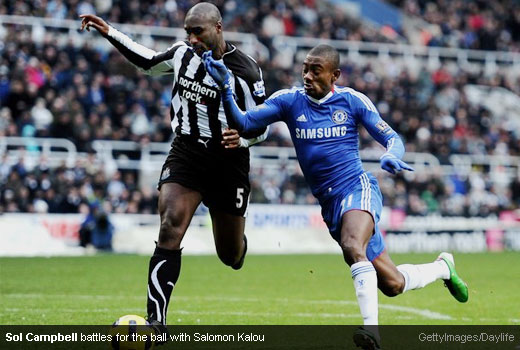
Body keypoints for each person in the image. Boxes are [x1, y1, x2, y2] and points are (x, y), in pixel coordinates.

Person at [202, 44, 468, 350]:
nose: (307, 76)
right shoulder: (289, 101)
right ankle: (442, 267)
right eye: (305, 68)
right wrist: (224, 87)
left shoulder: (352, 100)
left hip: (357, 188)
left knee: (352, 245)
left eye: (316, 71)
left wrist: (392, 154)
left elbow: (391, 136)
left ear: (334, 75)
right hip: (331, 206)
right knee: (393, 284)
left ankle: (372, 333)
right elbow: (246, 123)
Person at [79, 2, 268, 337]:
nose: (192, 38)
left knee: (230, 255)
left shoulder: (247, 71)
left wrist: (242, 141)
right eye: (188, 32)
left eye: (199, 31)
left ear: (218, 28)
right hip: (187, 153)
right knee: (170, 226)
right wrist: (110, 32)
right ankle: (156, 322)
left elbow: (262, 127)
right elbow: (148, 63)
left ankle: (239, 245)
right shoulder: (182, 54)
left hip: (229, 162)